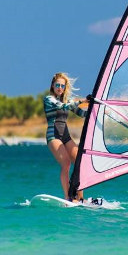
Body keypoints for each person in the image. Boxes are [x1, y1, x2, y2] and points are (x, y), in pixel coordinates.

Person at [44, 72, 88, 201]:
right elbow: (63, 106)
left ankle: (80, 198)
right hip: (53, 136)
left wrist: (95, 108)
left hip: (66, 135)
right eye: (57, 85)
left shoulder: (67, 101)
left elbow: (81, 113)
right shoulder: (49, 99)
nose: (59, 88)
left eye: (62, 86)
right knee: (66, 164)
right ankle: (68, 196)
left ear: (65, 87)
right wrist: (82, 101)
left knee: (80, 163)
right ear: (52, 86)